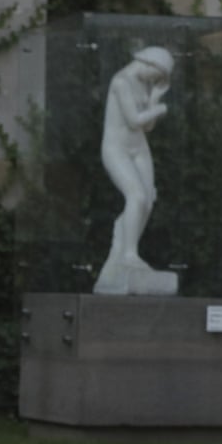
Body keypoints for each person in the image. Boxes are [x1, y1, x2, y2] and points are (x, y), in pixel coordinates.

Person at [94, 46, 177, 295]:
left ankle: (124, 246)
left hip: (138, 148)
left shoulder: (143, 85)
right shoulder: (120, 81)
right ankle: (129, 255)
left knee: (148, 200)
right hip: (116, 148)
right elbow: (134, 120)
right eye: (157, 74)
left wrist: (153, 100)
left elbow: (147, 127)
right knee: (136, 197)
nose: (155, 80)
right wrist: (159, 109)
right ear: (147, 62)